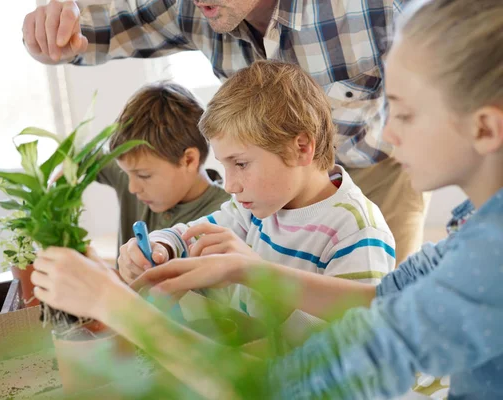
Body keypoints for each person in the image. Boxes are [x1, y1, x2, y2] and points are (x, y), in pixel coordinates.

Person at [31, 0, 503, 398]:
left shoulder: (487, 260)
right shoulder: (477, 226)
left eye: (401, 111)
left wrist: (114, 304)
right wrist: (248, 270)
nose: (386, 132)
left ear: (485, 127)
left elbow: (298, 385)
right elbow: (385, 302)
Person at [22, 0, 425, 266]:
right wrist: (52, 28)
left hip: (380, 166)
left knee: (385, 318)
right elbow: (93, 28)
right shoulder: (245, 201)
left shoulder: (375, 8)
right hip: (270, 182)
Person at [118, 61, 395, 323]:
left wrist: (257, 275)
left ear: (301, 148)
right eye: (225, 165)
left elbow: (344, 348)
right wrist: (160, 247)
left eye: (240, 164)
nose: (229, 185)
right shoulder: (252, 209)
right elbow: (188, 235)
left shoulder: (357, 230)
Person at [94, 82, 229, 266]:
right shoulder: (135, 170)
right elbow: (84, 156)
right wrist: (68, 163)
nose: (132, 187)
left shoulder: (227, 217)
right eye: (126, 173)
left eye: (144, 176)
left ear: (188, 160)